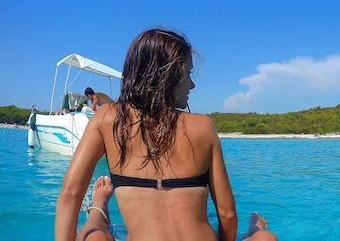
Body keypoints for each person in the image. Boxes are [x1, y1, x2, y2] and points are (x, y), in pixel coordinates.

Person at [55, 29, 277, 241]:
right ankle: (256, 230)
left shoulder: (106, 119)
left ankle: (98, 209)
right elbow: (228, 215)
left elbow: (69, 195)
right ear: (169, 76)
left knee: (94, 234)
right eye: (188, 73)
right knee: (266, 237)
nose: (192, 85)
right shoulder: (203, 126)